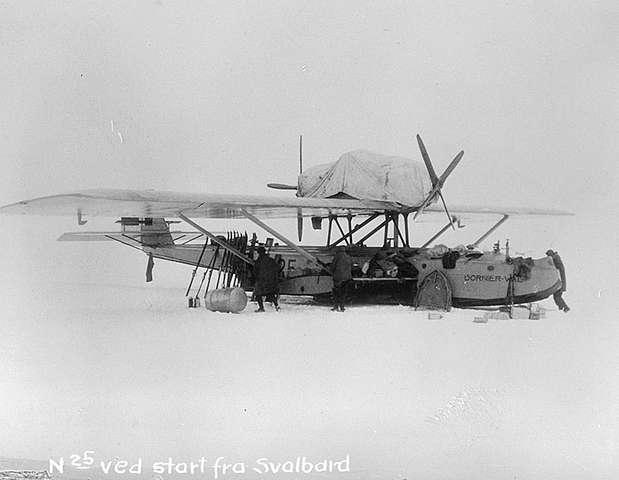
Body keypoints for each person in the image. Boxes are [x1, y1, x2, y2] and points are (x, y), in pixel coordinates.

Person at [252, 246, 280, 312]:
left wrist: (256, 278)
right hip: (270, 281)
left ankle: (261, 308)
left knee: (258, 294)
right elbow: (277, 268)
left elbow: (255, 271)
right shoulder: (271, 260)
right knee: (270, 293)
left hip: (261, 280)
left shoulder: (258, 261)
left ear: (259, 253)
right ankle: (276, 306)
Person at [330, 246, 353, 312]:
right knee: (343, 292)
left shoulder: (337, 256)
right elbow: (352, 266)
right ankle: (342, 307)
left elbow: (333, 266)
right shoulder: (348, 256)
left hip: (338, 277)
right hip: (347, 278)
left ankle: (335, 306)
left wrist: (332, 271)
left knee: (336, 292)